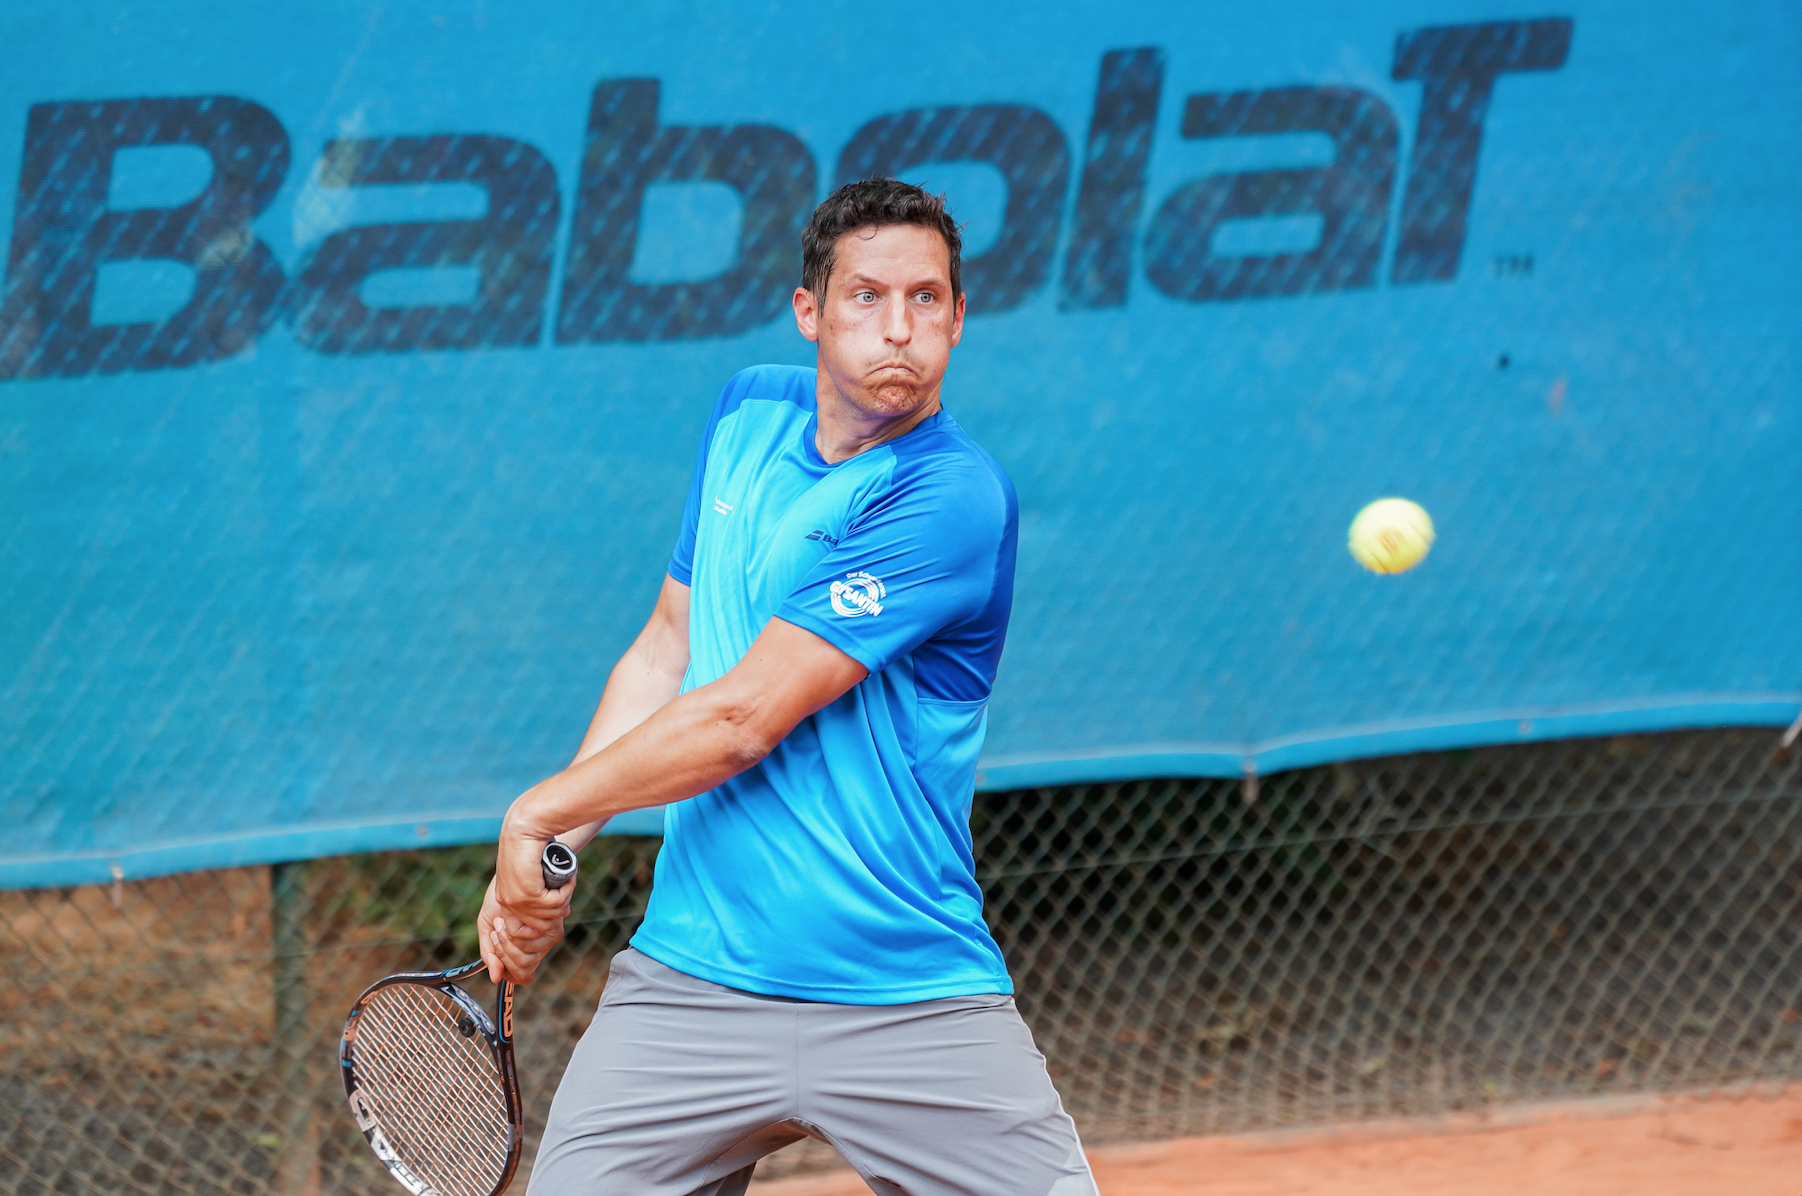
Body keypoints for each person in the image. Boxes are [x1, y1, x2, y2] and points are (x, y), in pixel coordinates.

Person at [477, 178, 1099, 1196]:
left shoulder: (949, 495)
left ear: (957, 316)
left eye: (927, 299)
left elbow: (740, 717)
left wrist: (535, 810)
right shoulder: (747, 411)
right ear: (807, 310)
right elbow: (667, 646)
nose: (898, 328)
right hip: (687, 988)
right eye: (865, 296)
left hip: (904, 997)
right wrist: (557, 845)